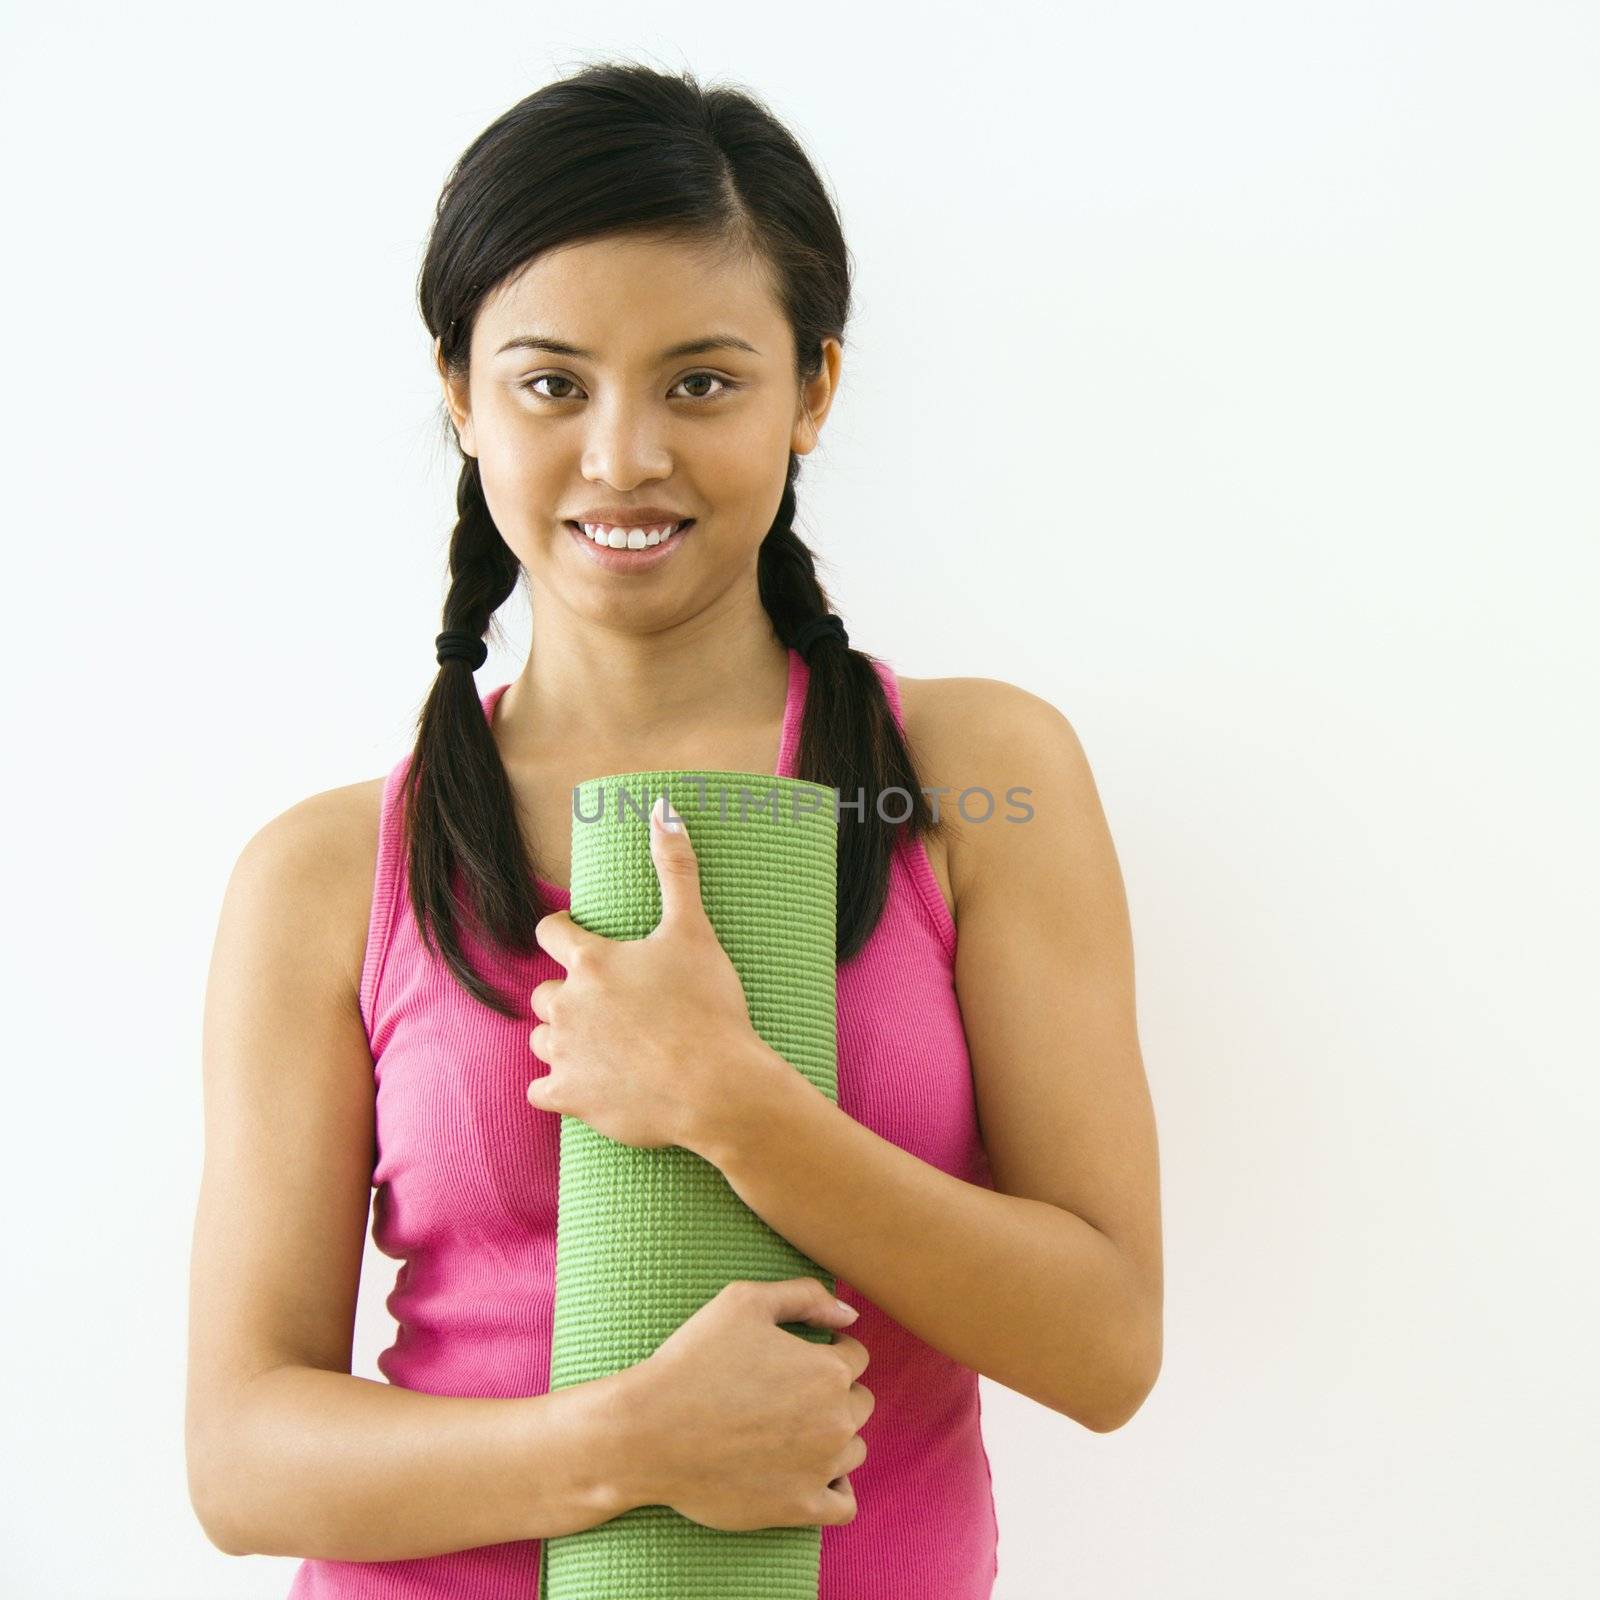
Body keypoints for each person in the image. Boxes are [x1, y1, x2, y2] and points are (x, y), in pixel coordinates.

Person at [185, 59, 1163, 1598]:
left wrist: (735, 1104)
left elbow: (1105, 1345)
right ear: (460, 394)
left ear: (814, 390)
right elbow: (242, 1460)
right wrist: (630, 1445)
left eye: (702, 381)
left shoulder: (976, 778)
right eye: (551, 383)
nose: (624, 456)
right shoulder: (323, 876)